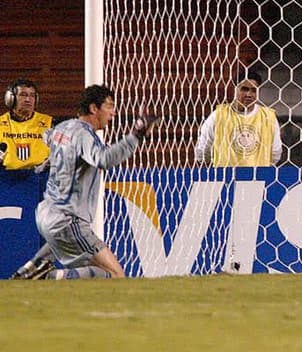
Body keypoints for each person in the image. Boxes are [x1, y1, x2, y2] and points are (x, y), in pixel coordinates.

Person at [11, 84, 159, 279]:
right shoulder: (84, 134)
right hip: (68, 218)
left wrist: (51, 160)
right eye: (109, 106)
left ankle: (32, 267)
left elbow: (47, 137)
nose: (113, 112)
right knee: (115, 274)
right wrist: (136, 136)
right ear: (93, 108)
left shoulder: (63, 127)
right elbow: (103, 159)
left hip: (46, 213)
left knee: (63, 243)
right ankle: (50, 277)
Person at [195, 70, 282, 166]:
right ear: (235, 89)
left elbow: (275, 153)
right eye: (244, 89)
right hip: (226, 177)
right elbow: (203, 152)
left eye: (254, 90)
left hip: (258, 178)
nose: (248, 94)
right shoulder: (218, 115)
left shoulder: (268, 117)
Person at [0, 78, 52, 170]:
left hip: (40, 178)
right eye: (23, 95)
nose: (28, 99)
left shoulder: (50, 123)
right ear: (10, 99)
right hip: (6, 178)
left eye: (32, 96)